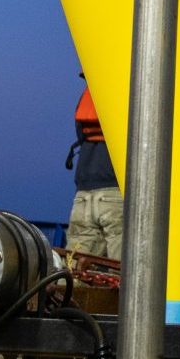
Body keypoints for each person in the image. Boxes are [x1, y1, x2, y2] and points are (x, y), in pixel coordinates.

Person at [63, 79, 123, 261]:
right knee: (124, 274)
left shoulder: (91, 93)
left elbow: (81, 134)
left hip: (83, 195)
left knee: (75, 272)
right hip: (115, 192)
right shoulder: (134, 92)